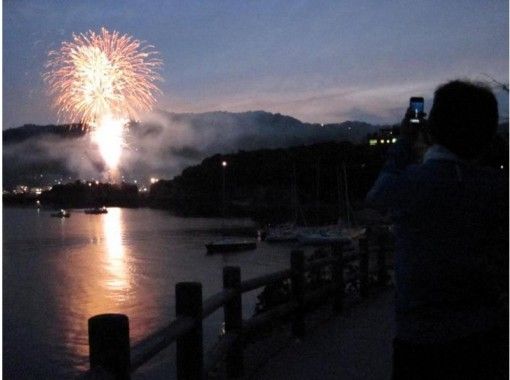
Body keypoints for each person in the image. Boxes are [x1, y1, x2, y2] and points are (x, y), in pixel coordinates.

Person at [366, 80, 508, 379]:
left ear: (433, 129)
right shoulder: (497, 187)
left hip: (420, 340)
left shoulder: (415, 182)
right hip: (485, 336)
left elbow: (377, 196)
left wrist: (405, 140)